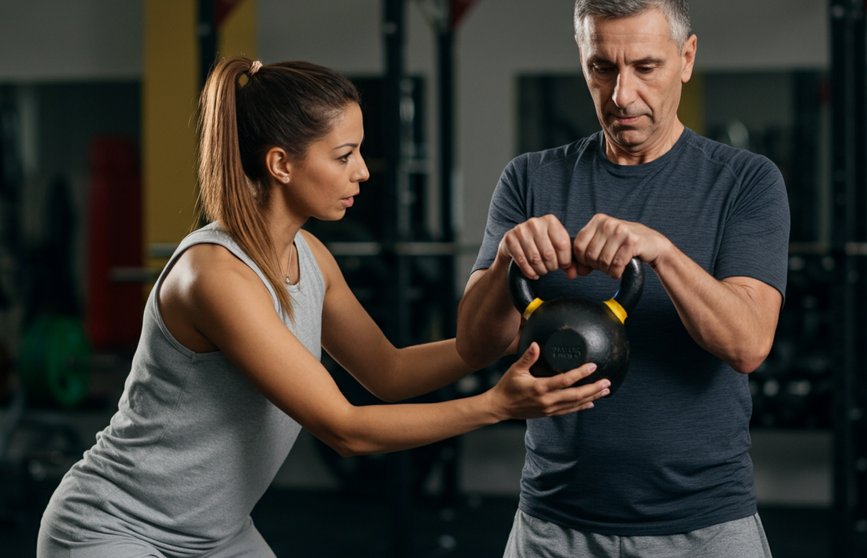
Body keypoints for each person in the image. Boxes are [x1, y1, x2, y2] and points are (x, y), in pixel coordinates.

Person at [36, 57, 611, 558]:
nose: (362, 170)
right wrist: (495, 406)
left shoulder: (308, 254)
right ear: (282, 164)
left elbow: (387, 372)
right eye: (344, 155)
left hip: (215, 535)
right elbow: (347, 429)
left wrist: (507, 339)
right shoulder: (215, 277)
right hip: (113, 527)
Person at [456, 1, 788, 556]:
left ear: (687, 58)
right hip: (553, 525)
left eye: (646, 67)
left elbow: (748, 344)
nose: (620, 95)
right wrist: (507, 263)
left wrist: (663, 253)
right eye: (601, 68)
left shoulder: (745, 181)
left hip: (704, 527)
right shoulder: (530, 179)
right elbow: (474, 345)